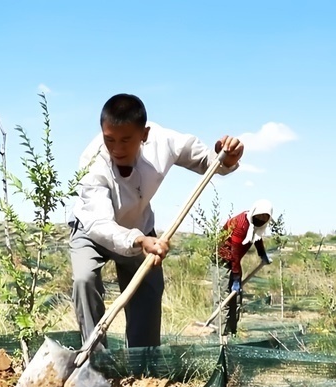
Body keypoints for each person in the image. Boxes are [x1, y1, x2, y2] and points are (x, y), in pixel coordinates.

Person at [70, 93, 244, 348]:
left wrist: (226, 159)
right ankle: (95, 362)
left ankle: (143, 367)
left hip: (140, 229)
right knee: (84, 280)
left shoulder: (164, 141)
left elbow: (209, 163)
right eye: (110, 139)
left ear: (144, 134)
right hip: (92, 231)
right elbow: (98, 222)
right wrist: (138, 240)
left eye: (126, 140)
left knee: (148, 296)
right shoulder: (92, 162)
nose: (117, 148)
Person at [216, 199, 274, 335]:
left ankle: (232, 333)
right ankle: (221, 334)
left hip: (235, 260)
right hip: (221, 258)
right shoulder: (241, 223)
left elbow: (257, 237)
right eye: (260, 216)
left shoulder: (256, 225)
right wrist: (236, 277)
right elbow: (234, 252)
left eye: (265, 217)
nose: (261, 219)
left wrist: (262, 254)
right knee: (224, 296)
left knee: (236, 297)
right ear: (254, 213)